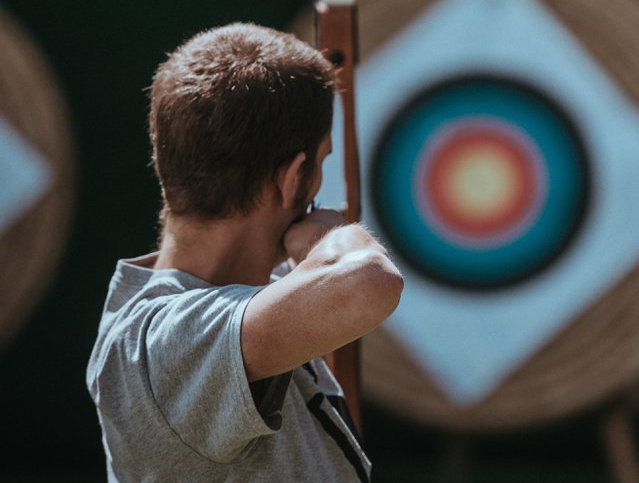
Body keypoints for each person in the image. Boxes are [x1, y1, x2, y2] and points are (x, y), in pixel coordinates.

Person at [86, 23, 403, 482]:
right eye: (321, 162)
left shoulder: (252, 306)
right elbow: (368, 281)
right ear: (292, 178)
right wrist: (327, 240)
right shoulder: (162, 343)